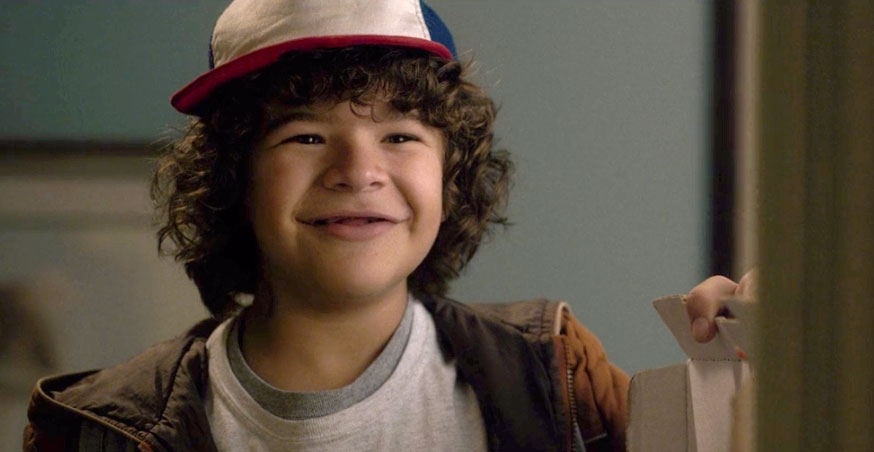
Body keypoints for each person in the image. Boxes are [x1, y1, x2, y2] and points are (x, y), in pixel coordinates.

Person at [23, 1, 742, 451]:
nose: (357, 170)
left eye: (400, 135)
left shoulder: (556, 370)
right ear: (233, 179)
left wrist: (754, 365)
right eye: (305, 136)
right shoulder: (95, 429)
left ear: (450, 176)